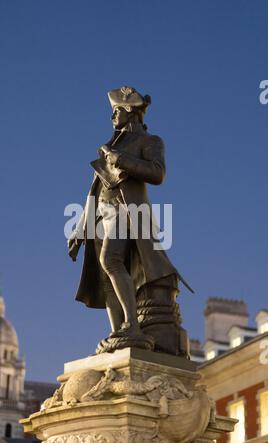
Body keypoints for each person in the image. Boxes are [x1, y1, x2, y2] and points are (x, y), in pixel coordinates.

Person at [68, 86, 188, 351]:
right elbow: (95, 189)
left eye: (117, 111)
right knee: (104, 274)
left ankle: (132, 326)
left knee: (110, 260)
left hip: (126, 212)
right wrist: (81, 228)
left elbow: (157, 173)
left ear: (130, 113)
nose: (112, 117)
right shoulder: (110, 145)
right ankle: (119, 331)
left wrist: (121, 160)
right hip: (101, 215)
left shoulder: (150, 141)